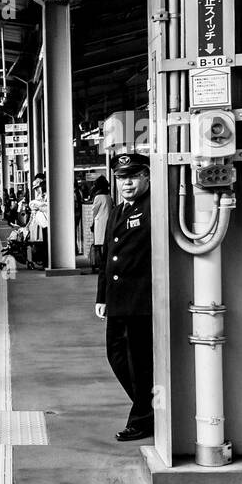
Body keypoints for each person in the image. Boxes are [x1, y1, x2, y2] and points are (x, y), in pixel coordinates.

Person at [95, 154, 152, 442]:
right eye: (121, 177)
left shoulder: (154, 207)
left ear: (146, 176)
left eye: (132, 176)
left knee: (140, 362)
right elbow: (108, 255)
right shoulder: (117, 211)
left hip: (142, 300)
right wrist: (102, 295)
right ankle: (150, 406)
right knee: (116, 356)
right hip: (118, 300)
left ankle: (142, 419)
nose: (126, 183)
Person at [89, 175, 111, 273]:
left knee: (99, 245)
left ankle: (100, 264)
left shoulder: (98, 197)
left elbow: (94, 211)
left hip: (99, 223)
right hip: (108, 222)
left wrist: (92, 222)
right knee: (105, 243)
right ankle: (105, 263)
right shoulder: (108, 197)